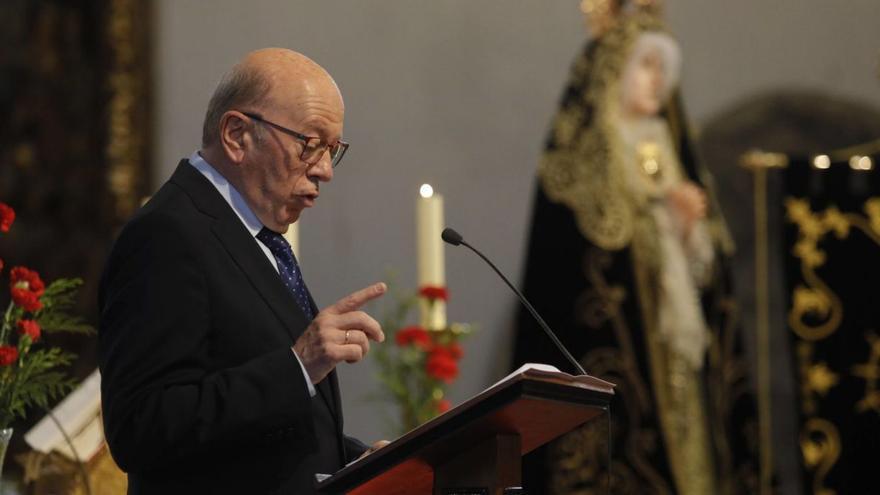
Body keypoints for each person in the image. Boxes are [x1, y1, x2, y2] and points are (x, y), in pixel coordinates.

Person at [98, 48, 387, 494]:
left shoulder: (257, 236)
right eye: (310, 144)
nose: (326, 171)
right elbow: (142, 426)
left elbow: (260, 434)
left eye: (333, 150)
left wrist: (359, 462)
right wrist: (298, 364)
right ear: (237, 135)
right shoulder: (168, 233)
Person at [512, 2, 759, 494]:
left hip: (680, 358)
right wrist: (657, 223)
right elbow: (575, 268)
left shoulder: (668, 145)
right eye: (645, 65)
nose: (657, 80)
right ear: (614, 70)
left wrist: (689, 229)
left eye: (664, 68)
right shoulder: (587, 158)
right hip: (625, 353)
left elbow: (708, 273)